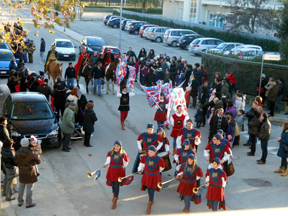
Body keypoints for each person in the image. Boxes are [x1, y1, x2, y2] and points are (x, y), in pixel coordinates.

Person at [14, 137, 41, 208]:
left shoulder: (17, 152)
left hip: (22, 172)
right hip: (30, 172)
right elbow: (39, 161)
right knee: (30, 188)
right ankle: (28, 203)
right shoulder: (31, 153)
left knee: (21, 187)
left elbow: (16, 162)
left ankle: (20, 202)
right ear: (28, 144)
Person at [138, 145, 165, 214]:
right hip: (147, 176)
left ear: (155, 152)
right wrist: (140, 169)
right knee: (148, 188)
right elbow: (141, 165)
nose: (149, 153)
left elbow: (161, 168)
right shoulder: (145, 157)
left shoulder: (159, 159)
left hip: (154, 177)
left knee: (152, 189)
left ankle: (149, 204)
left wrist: (154, 172)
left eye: (151, 152)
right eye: (149, 152)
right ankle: (151, 198)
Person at [104, 140, 129, 209]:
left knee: (116, 186)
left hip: (119, 172)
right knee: (113, 185)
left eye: (117, 146)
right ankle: (114, 195)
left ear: (120, 147)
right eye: (115, 146)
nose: (116, 147)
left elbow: (125, 164)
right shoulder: (110, 153)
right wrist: (106, 164)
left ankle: (115, 201)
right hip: (112, 171)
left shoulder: (123, 154)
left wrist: (119, 167)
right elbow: (108, 161)